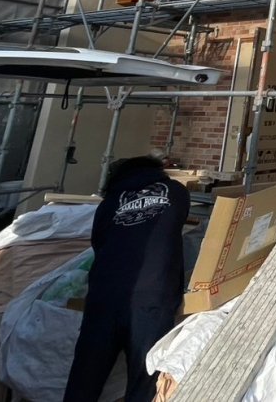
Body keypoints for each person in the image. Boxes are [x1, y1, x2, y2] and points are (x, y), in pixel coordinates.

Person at [64, 156, 189, 402]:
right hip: (153, 296)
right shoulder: (176, 192)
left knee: (85, 377)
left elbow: (99, 242)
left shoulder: (110, 203)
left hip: (105, 294)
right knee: (144, 378)